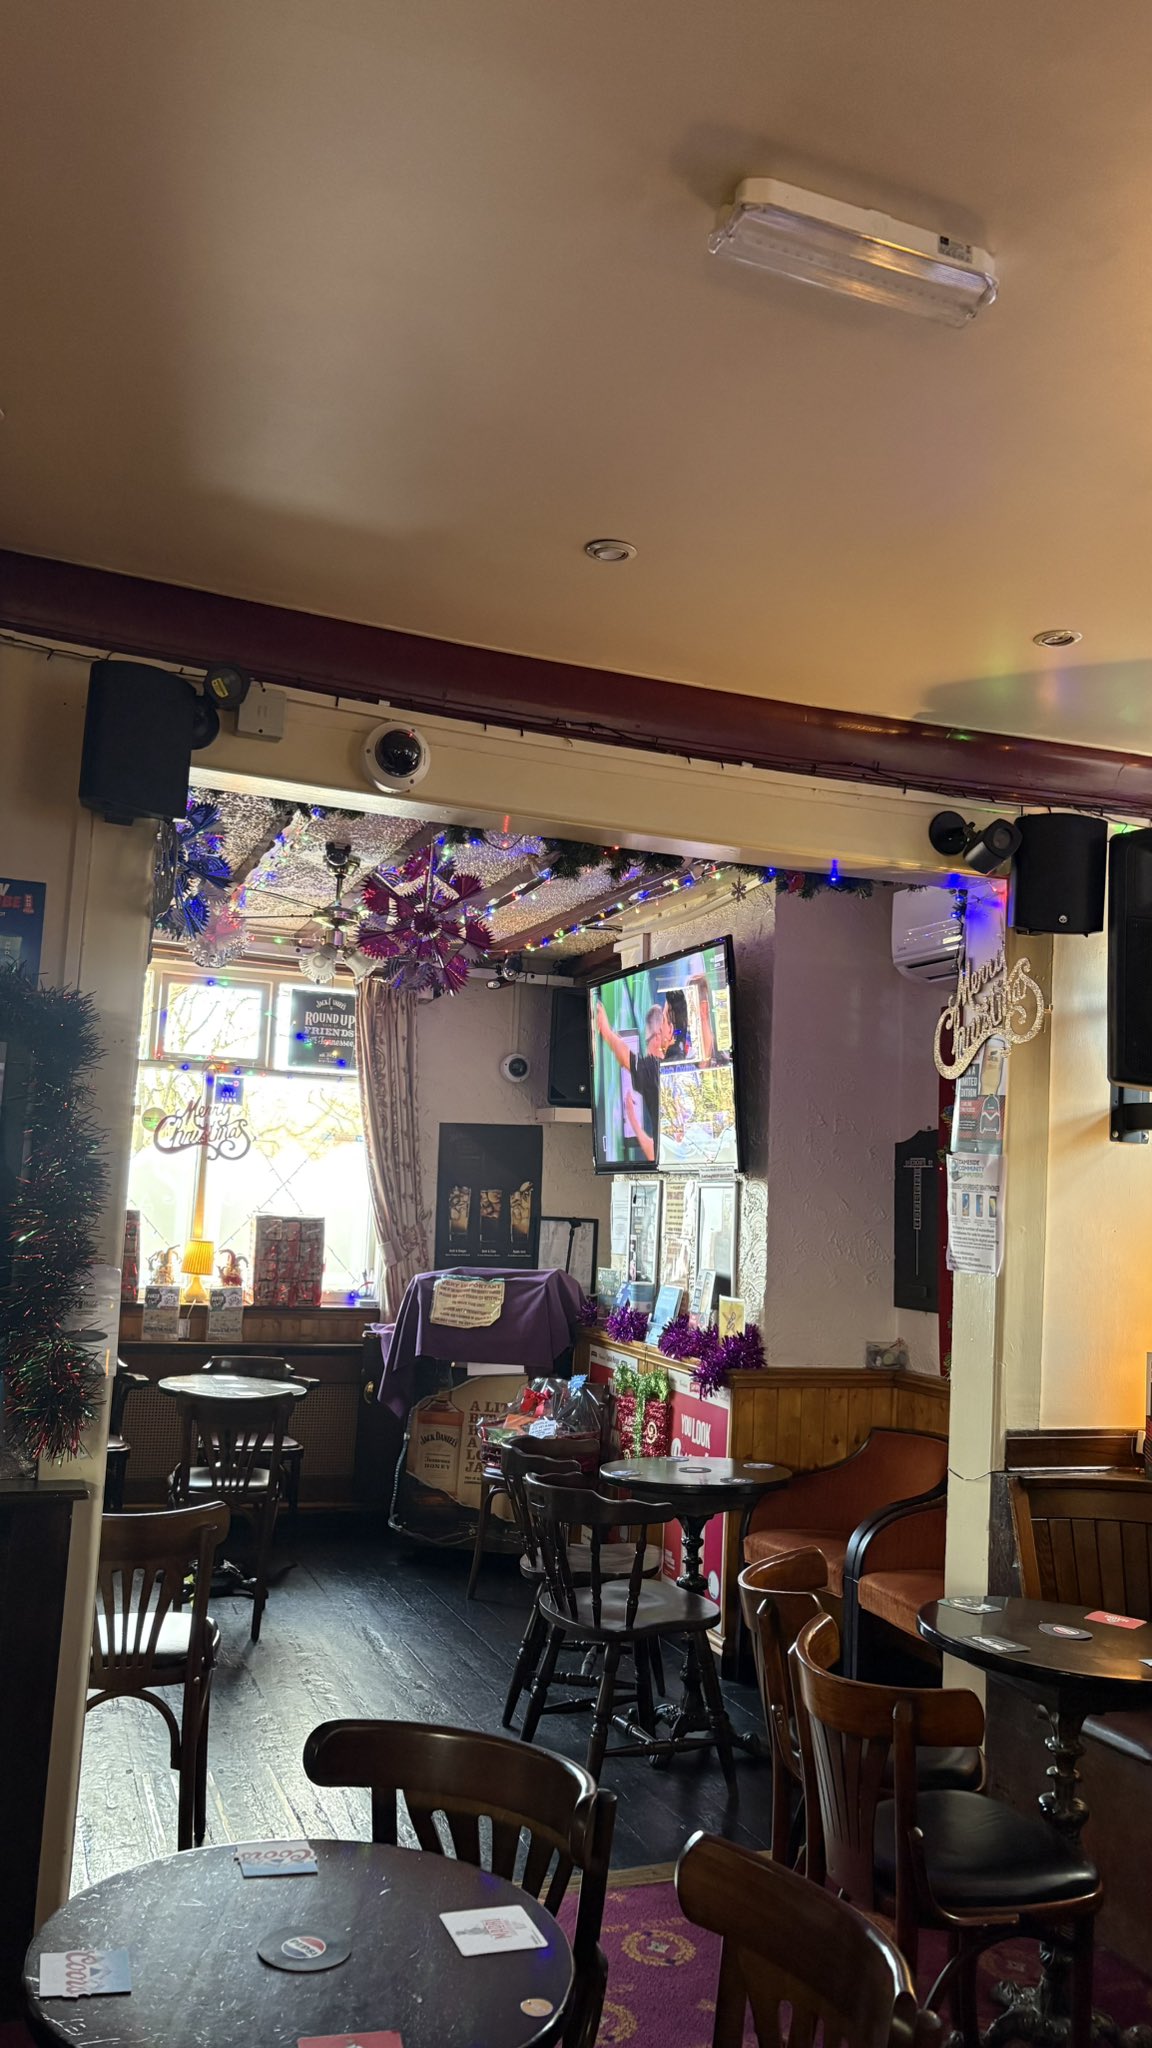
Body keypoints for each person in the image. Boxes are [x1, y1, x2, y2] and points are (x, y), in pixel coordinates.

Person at [595, 997, 673, 1164]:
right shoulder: (665, 1072)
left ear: (658, 1037)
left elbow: (628, 1059)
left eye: (647, 1041)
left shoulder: (656, 1069)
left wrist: (607, 1032)